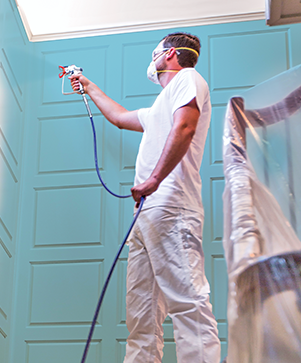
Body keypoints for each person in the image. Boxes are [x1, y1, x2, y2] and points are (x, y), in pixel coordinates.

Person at [70, 32, 220, 363]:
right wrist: (88, 85)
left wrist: (154, 179)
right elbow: (120, 117)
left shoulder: (189, 79)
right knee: (141, 315)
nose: (151, 60)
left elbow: (185, 128)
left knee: (187, 302)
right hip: (146, 218)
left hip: (172, 206)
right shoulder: (158, 109)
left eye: (155, 53)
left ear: (169, 54)